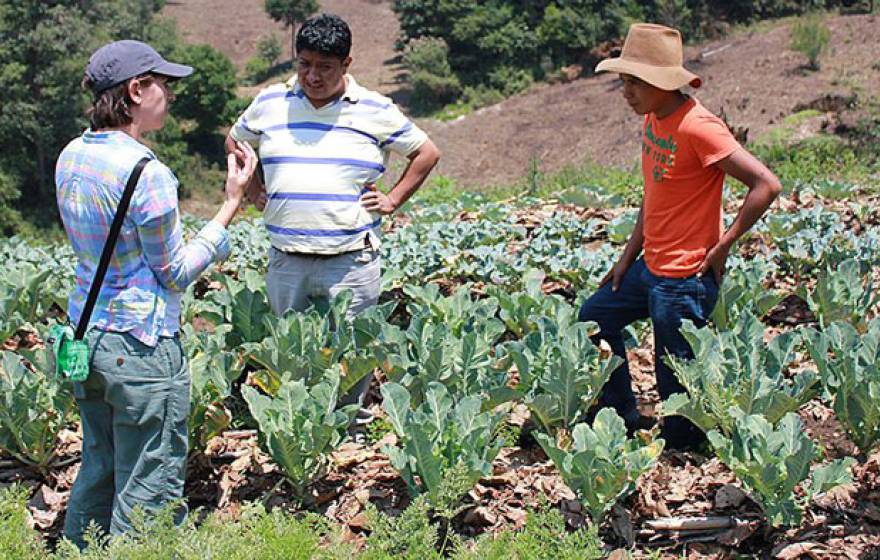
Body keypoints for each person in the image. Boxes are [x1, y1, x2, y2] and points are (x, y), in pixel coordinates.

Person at [56, 40, 257, 548]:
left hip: (87, 337)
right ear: (135, 90)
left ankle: (80, 551)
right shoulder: (150, 175)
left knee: (98, 462)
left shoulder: (71, 156)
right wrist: (228, 208)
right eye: (162, 84)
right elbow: (172, 273)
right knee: (150, 474)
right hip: (141, 345)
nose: (168, 94)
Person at [225, 13, 440, 433]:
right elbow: (236, 139)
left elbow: (426, 152)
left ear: (347, 64)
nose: (312, 76)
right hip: (287, 257)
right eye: (304, 64)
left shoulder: (375, 109)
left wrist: (393, 198)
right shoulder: (270, 102)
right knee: (290, 352)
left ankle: (352, 433)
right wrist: (252, 188)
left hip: (351, 259)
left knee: (354, 352)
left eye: (324, 66)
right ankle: (300, 432)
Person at [581, 24, 782, 449]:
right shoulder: (654, 119)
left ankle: (685, 450)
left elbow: (766, 184)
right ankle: (621, 414)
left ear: (662, 83)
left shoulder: (700, 127)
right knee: (595, 317)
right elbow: (654, 194)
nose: (626, 91)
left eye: (634, 82)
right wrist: (626, 257)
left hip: (685, 277)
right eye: (624, 81)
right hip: (650, 266)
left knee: (674, 371)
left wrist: (725, 244)